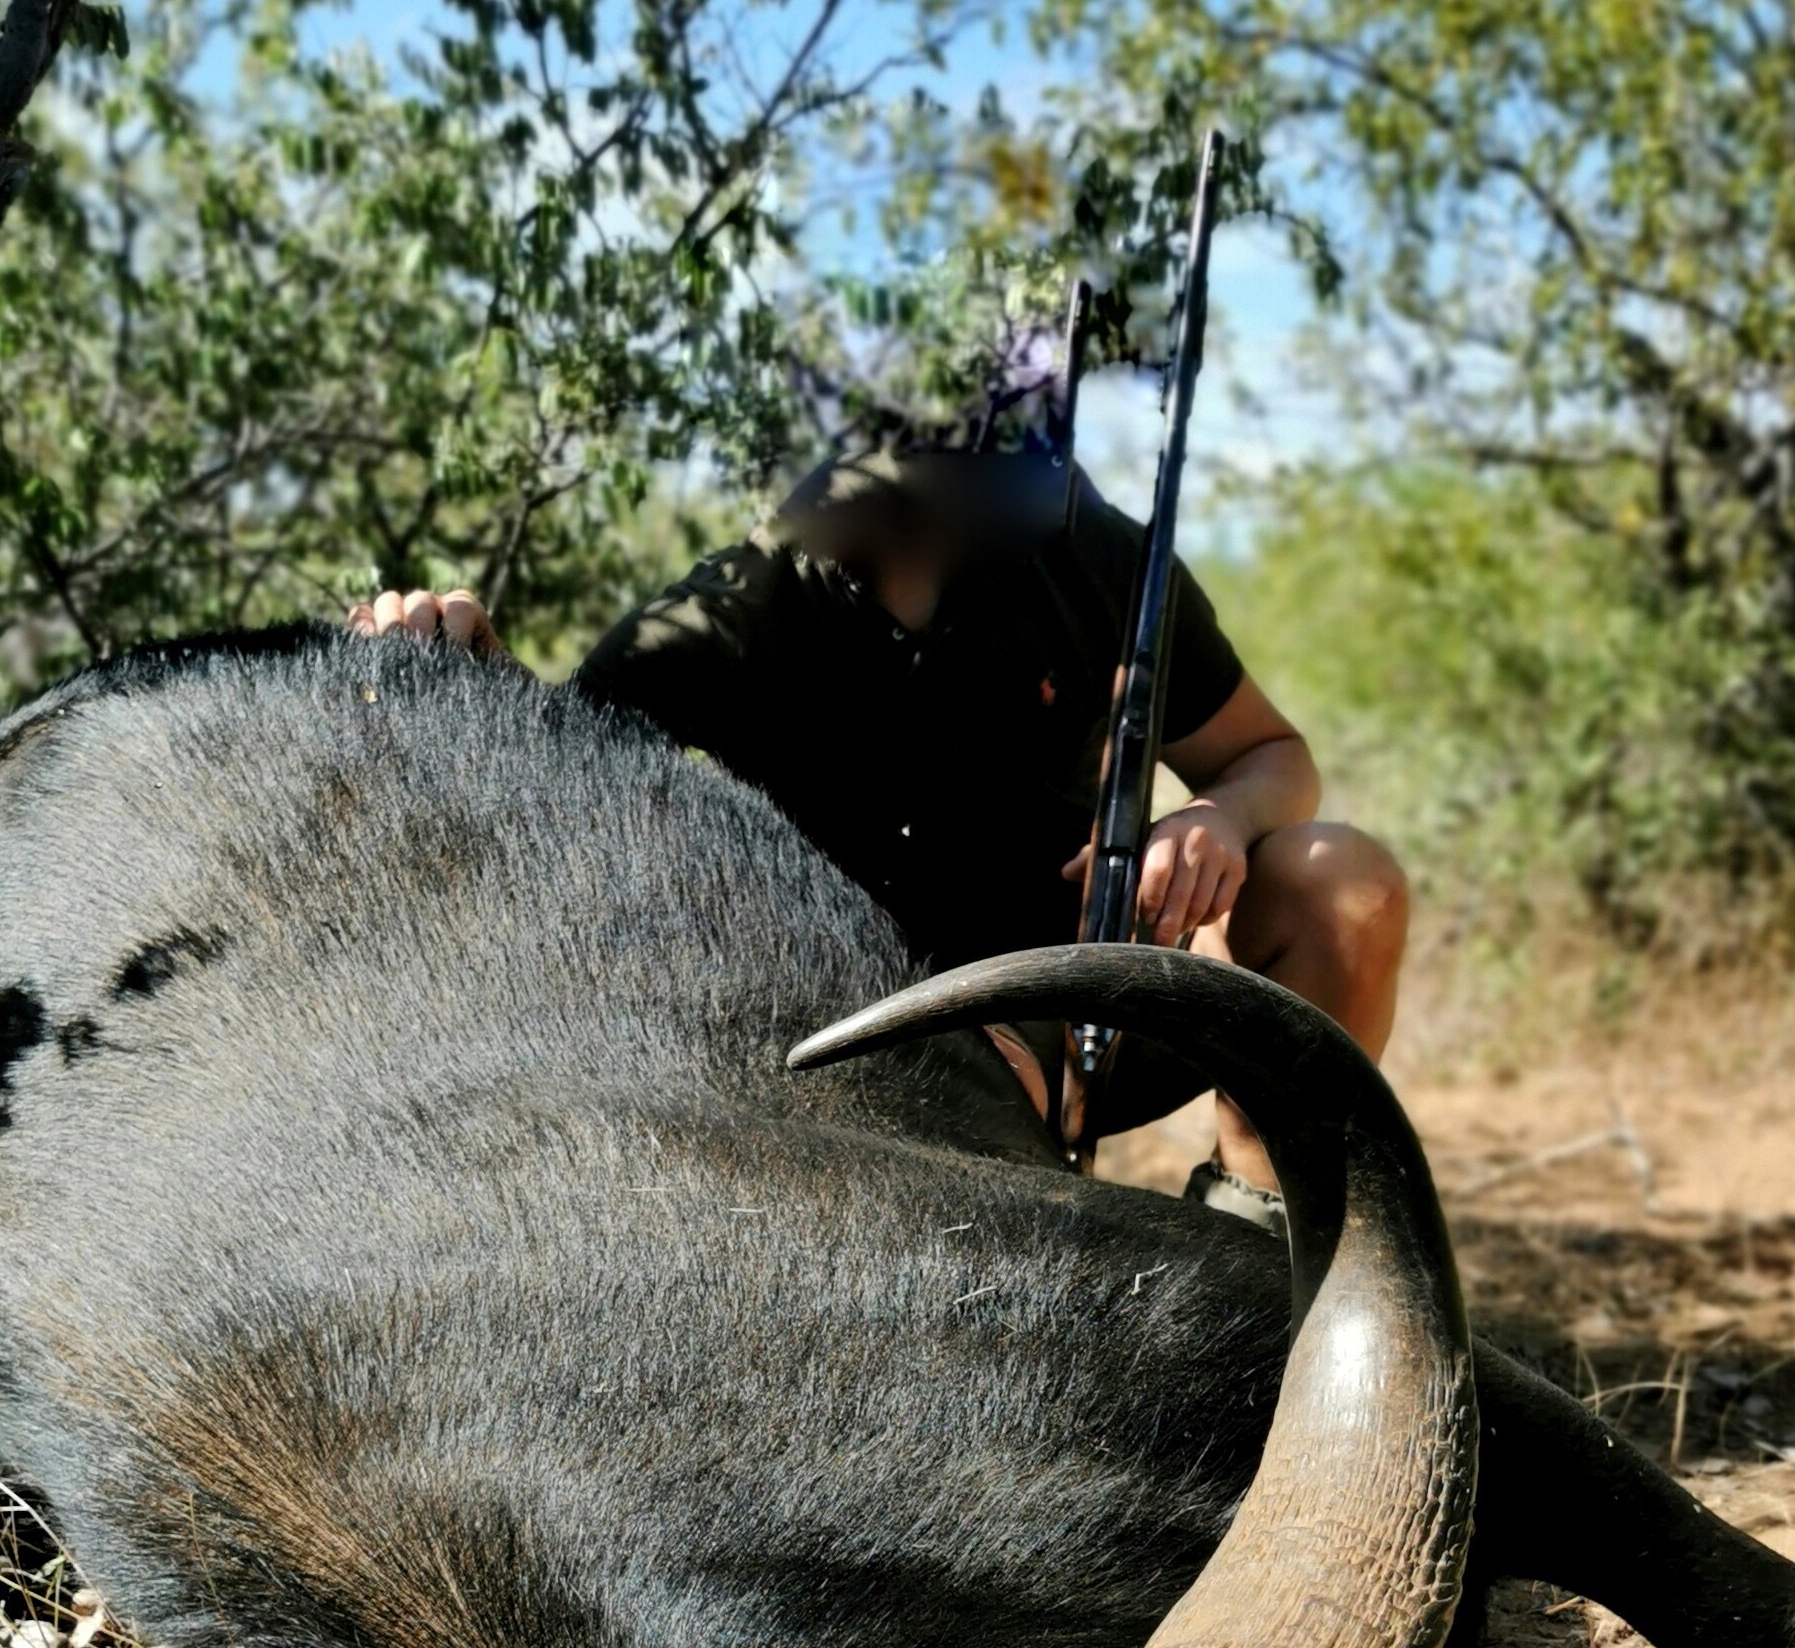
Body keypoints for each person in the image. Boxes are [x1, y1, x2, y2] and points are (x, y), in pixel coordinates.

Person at [347, 444, 1408, 1225]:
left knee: (1341, 883)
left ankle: (1263, 1238)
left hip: (1099, 987)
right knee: (965, 1106)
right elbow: (569, 767)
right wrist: (466, 674)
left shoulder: (1091, 552)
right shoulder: (732, 609)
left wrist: (1219, 814)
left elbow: (1275, 756)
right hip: (879, 1037)